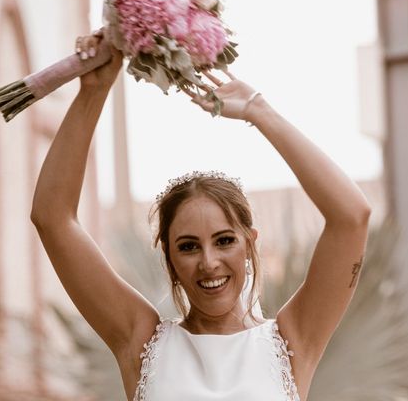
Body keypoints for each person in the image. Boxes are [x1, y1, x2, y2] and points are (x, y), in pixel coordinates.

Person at [30, 32, 372, 401]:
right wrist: (93, 91)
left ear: (249, 243)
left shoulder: (293, 341)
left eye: (224, 240)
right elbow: (52, 218)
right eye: (189, 247)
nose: (209, 263)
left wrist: (261, 113)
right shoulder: (141, 340)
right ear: (169, 258)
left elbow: (352, 216)